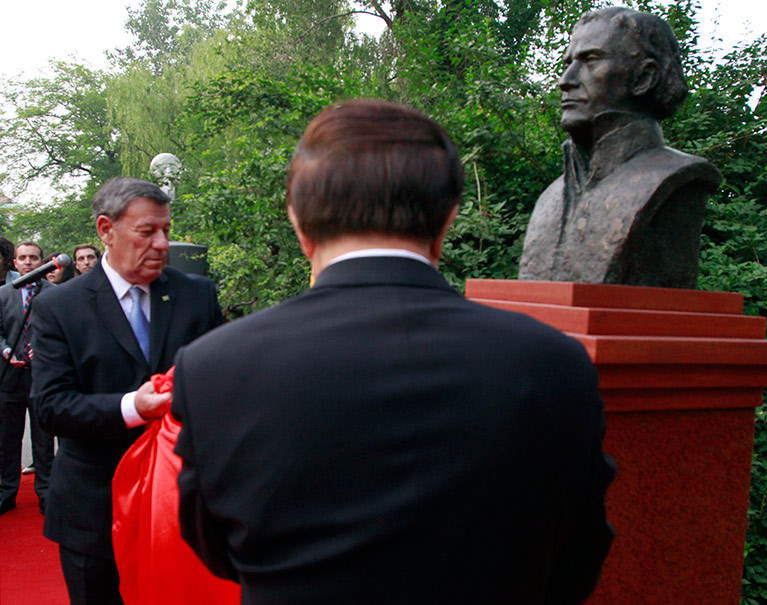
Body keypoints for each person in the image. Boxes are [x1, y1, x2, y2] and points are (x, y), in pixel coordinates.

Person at [172, 100, 615, 603]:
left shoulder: (213, 367)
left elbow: (215, 547)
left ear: (297, 220)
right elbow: (579, 555)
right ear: (448, 219)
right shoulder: (555, 363)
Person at [31, 177, 224, 605]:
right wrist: (132, 407)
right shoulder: (59, 307)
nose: (162, 244)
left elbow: (225, 379)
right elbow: (50, 406)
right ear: (106, 229)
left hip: (182, 506)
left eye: (166, 230)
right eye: (147, 231)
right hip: (93, 510)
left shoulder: (196, 295)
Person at [518, 7, 720, 288]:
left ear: (644, 77)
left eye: (590, 60)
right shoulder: (550, 198)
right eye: (568, 64)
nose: (565, 81)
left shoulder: (675, 178)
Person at [0, 241, 55, 516]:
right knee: (7, 440)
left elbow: (63, 331)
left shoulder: (56, 293)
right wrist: (6, 351)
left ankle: (46, 493)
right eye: (23, 258)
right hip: (9, 377)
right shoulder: (3, 294)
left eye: (34, 257)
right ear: (15, 262)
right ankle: (7, 492)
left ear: (42, 262)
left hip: (42, 377)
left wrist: (45, 348)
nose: (28, 262)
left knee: (44, 440)